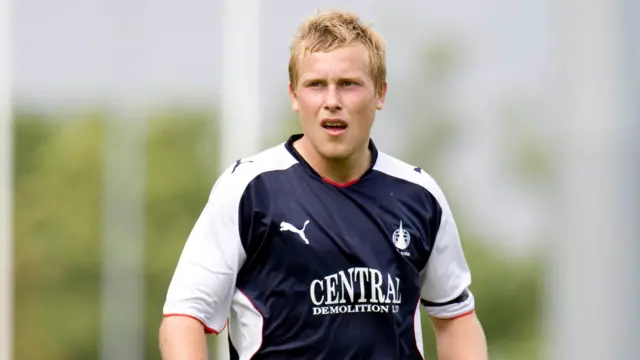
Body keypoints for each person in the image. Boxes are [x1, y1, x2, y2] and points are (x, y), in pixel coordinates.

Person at [159, 10, 487, 360]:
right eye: (316, 85)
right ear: (294, 95)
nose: (332, 101)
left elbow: (455, 318)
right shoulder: (250, 190)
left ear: (380, 93)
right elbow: (183, 318)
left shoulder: (418, 195)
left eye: (349, 84)